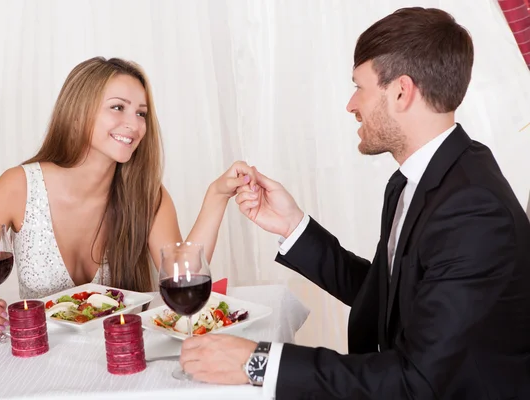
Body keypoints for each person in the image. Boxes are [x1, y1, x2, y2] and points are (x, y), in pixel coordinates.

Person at [179, 7, 530, 399]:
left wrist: (257, 362)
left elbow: (418, 380)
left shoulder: (472, 209)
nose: (350, 104)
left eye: (359, 87)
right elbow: (388, 296)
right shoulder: (419, 179)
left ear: (400, 91)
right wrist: (292, 226)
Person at [0, 57, 255, 337]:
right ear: (78, 114)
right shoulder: (19, 186)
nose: (134, 124)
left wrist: (217, 196)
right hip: (39, 359)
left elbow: (182, 274)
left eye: (141, 113)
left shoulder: (146, 194)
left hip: (119, 358)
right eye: (118, 107)